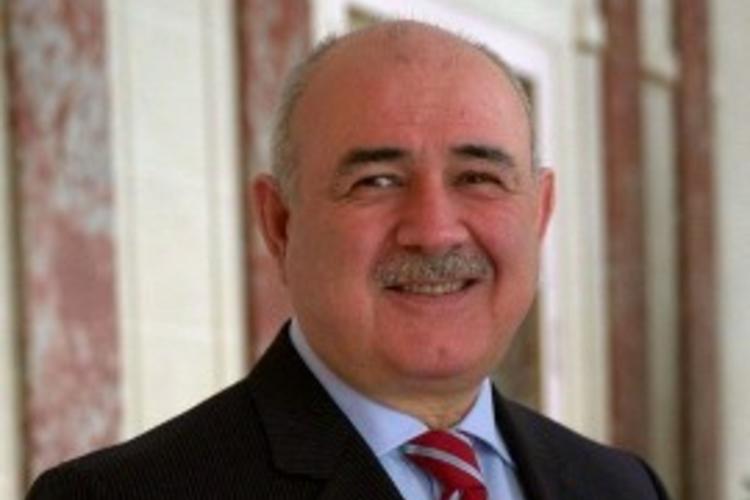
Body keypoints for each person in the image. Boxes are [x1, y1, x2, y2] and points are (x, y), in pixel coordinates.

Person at [28, 20, 669, 499]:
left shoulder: (622, 487)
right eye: (377, 182)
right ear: (280, 224)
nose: (435, 232)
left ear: (540, 213)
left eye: (478, 177)